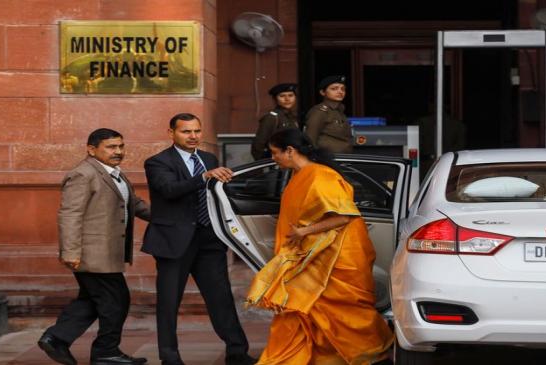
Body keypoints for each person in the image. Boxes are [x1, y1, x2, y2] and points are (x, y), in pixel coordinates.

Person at [247, 128, 394, 364]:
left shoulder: (320, 176)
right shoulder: (300, 175)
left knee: (342, 309)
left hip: (337, 257)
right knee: (300, 307)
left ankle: (368, 354)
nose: (273, 158)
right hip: (313, 254)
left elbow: (343, 216)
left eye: (275, 153)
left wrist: (303, 231)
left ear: (290, 151)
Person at [141, 113, 256, 365]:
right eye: (186, 132)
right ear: (171, 133)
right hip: (174, 242)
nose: (193, 136)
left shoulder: (208, 159)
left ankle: (237, 352)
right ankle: (169, 357)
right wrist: (203, 177)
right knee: (169, 302)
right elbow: (169, 190)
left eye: (196, 131)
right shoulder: (157, 162)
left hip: (209, 240)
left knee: (221, 298)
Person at [37, 128, 150, 365]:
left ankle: (56, 338)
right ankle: (105, 351)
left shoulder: (115, 173)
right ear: (91, 149)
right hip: (92, 254)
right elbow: (70, 214)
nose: (118, 151)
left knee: (92, 300)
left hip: (108, 254)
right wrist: (70, 252)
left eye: (120, 146)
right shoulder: (83, 174)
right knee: (116, 301)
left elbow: (135, 205)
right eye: (111, 147)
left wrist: (171, 218)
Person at [304, 75, 354, 154]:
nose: (340, 92)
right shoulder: (319, 112)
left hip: (343, 158)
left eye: (343, 89)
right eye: (334, 89)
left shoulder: (339, 111)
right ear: (323, 92)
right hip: (327, 160)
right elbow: (310, 140)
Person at [251, 83, 299, 160]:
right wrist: (263, 166)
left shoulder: (293, 117)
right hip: (277, 163)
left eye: (290, 95)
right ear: (275, 99)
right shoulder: (272, 117)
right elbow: (258, 145)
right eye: (282, 96)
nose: (287, 99)